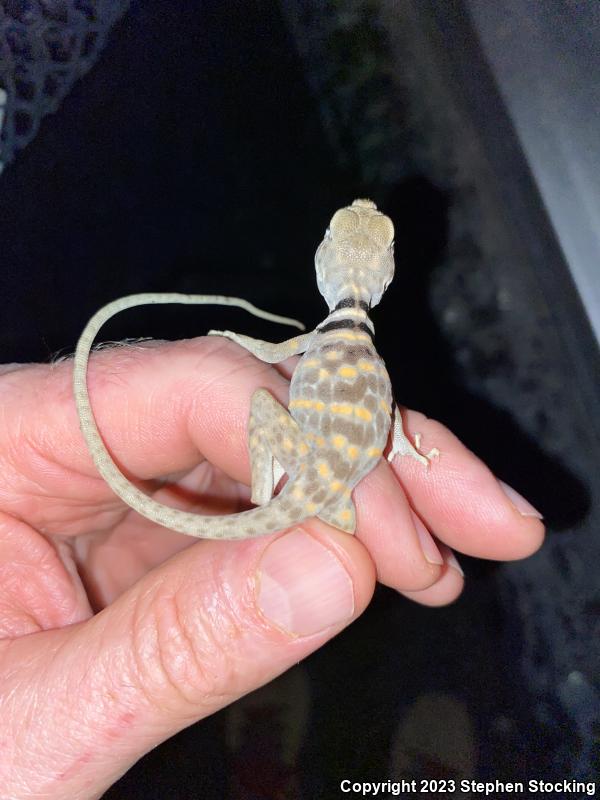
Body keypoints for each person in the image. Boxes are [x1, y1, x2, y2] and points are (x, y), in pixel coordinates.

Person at [0, 336, 544, 797]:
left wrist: (240, 344)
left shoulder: (319, 340)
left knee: (262, 406)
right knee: (344, 520)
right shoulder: (368, 357)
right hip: (334, 492)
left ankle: (266, 502)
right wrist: (407, 447)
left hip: (313, 479)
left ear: (326, 262)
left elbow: (275, 353)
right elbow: (390, 424)